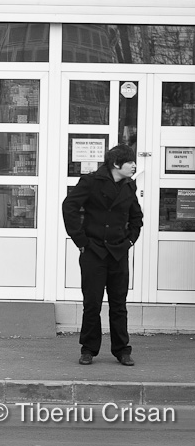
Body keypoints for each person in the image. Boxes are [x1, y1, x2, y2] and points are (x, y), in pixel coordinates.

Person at [62, 144, 143, 367]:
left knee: (119, 304)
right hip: (94, 251)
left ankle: (122, 350)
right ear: (117, 164)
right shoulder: (91, 182)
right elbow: (69, 206)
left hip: (118, 252)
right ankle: (88, 349)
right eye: (130, 162)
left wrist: (129, 241)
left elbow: (137, 217)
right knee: (92, 303)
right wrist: (81, 241)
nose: (134, 165)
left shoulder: (129, 186)